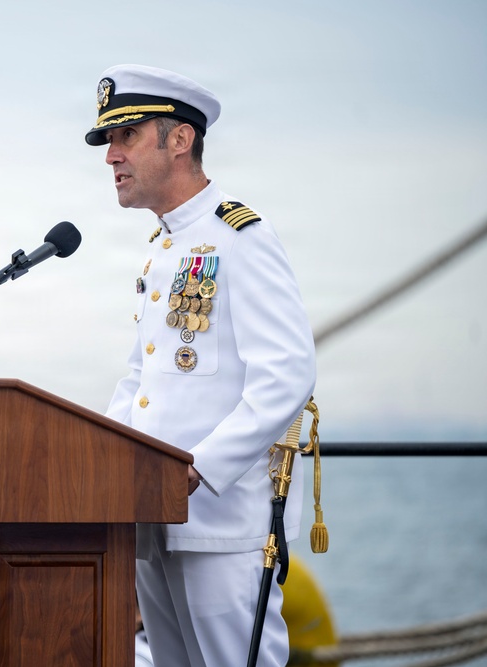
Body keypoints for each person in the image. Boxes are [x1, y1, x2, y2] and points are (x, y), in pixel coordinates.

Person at [87, 64, 317, 667]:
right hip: (152, 514)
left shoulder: (240, 239)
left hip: (220, 519)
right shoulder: (165, 248)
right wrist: (104, 456)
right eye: (109, 142)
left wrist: (198, 469)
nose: (111, 156)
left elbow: (286, 375)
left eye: (125, 136)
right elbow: (141, 377)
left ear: (180, 139)